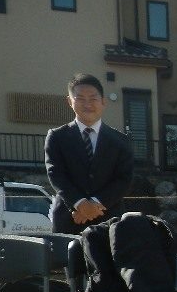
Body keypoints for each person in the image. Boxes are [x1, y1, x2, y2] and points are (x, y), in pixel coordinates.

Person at [45, 73, 135, 235]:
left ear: (103, 102)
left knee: (107, 260)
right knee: (67, 260)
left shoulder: (120, 140)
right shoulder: (57, 137)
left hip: (109, 218)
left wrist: (94, 204)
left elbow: (124, 179)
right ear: (69, 101)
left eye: (93, 98)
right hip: (70, 217)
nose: (87, 104)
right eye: (80, 98)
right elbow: (56, 174)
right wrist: (79, 204)